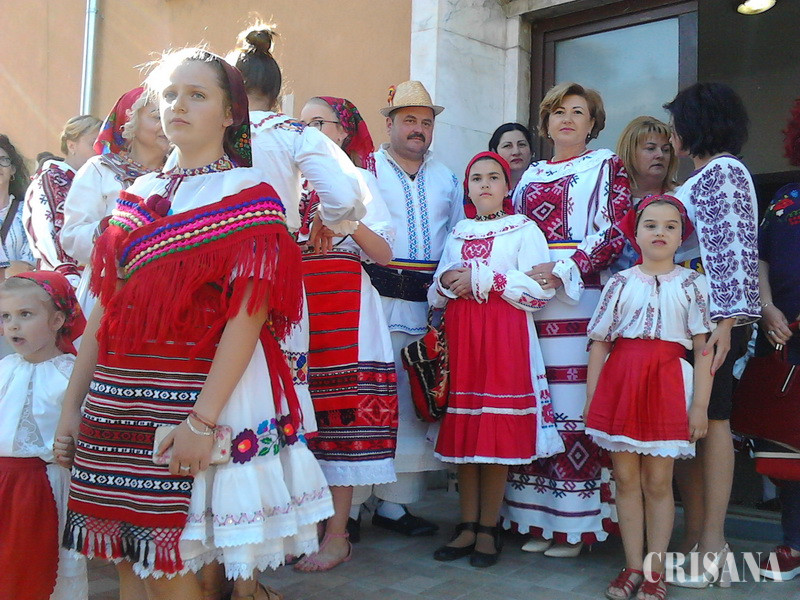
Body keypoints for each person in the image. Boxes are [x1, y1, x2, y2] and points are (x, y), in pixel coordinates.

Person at [55, 47, 333, 600]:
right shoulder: (137, 195)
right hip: (117, 398)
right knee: (126, 558)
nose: (178, 105)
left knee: (174, 565)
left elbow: (247, 321)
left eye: (197, 95)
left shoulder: (250, 196)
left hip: (195, 400)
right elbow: (106, 310)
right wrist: (72, 407)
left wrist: (202, 423)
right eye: (170, 94)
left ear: (230, 114)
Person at [502, 82, 631, 557]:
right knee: (540, 404)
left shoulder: (607, 165)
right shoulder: (529, 176)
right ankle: (538, 521)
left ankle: (575, 524)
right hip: (531, 304)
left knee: (574, 404)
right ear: (546, 122)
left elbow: (618, 230)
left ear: (593, 123)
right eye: (558, 111)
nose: (568, 119)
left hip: (581, 297)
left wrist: (565, 267)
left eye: (578, 112)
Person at [226, 23, 368, 444]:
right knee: (275, 374)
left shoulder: (216, 131)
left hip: (214, 257)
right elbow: (346, 196)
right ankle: (271, 460)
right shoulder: (294, 133)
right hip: (275, 259)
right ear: (277, 91)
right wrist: (327, 217)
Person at [428, 151, 563, 568]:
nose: (484, 184)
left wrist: (487, 278)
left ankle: (488, 527)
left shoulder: (524, 228)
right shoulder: (459, 231)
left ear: (507, 186)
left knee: (493, 434)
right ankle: (467, 524)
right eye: (476, 178)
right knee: (467, 434)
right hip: (463, 337)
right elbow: (438, 287)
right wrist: (448, 281)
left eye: (493, 177)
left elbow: (540, 290)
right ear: (467, 188)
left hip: (504, 337)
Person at [584, 196, 714, 600]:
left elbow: (703, 348)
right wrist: (592, 399)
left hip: (667, 383)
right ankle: (632, 565)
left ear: (681, 236)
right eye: (651, 225)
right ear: (636, 234)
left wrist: (700, 406)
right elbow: (600, 343)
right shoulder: (619, 283)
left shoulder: (693, 284)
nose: (660, 232)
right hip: (621, 382)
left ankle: (655, 571)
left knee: (658, 480)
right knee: (625, 478)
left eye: (670, 226)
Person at [293, 96, 398, 571]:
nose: (310, 131)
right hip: (294, 306)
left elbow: (385, 254)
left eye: (320, 122)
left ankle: (336, 535)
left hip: (348, 308)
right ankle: (300, 529)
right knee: (296, 415)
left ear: (343, 131)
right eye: (303, 124)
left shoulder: (360, 180)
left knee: (342, 417)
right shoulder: (286, 179)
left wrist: (345, 220)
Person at [357, 80, 463, 537]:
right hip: (373, 300)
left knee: (411, 399)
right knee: (365, 397)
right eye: (409, 120)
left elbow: (457, 236)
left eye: (426, 122)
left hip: (425, 304)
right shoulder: (365, 168)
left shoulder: (448, 177)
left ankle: (395, 506)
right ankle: (351, 504)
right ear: (389, 124)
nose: (418, 129)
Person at [665, 83, 760, 587]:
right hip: (693, 321)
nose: (672, 135)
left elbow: (734, 250)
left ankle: (714, 544)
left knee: (714, 421)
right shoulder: (703, 176)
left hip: (714, 324)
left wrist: (724, 324)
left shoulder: (724, 171)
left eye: (677, 125)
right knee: (691, 429)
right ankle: (696, 538)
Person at [0, 272, 87, 600]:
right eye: (6, 316)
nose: (13, 326)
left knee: (41, 570)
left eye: (25, 314)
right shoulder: (5, 368)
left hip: (44, 486)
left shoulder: (70, 375)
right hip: (4, 483)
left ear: (57, 320)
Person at [61, 87, 169, 315]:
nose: (167, 123)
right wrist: (114, 231)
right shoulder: (101, 169)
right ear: (130, 120)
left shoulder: (179, 176)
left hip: (162, 295)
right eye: (157, 116)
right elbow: (71, 237)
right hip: (105, 292)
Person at [756, 97, 800, 582]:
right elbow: (762, 257)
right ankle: (794, 541)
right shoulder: (786, 197)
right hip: (787, 335)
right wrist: (767, 306)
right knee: (790, 443)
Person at [23, 115, 100, 285]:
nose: (100, 150)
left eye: (103, 144)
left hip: (91, 277)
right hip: (60, 279)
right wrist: (66, 272)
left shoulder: (96, 180)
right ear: (72, 145)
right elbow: (44, 230)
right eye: (93, 143)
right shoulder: (51, 179)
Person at [613, 117, 678, 271]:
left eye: (666, 150)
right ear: (630, 152)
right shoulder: (611, 200)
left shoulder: (680, 196)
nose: (660, 155)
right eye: (650, 148)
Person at [0, 135, 36, 273]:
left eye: (3, 160)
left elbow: (27, 265)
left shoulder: (28, 211)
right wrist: (9, 268)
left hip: (17, 286)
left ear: (13, 170)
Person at [488, 122, 534, 192]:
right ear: (494, 152)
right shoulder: (486, 189)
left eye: (521, 144)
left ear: (531, 151)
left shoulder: (543, 187)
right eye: (507, 146)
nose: (516, 152)